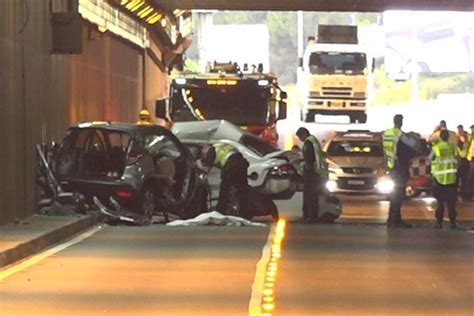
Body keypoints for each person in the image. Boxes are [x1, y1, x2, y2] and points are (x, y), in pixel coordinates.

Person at [382, 114, 417, 228]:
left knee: (394, 194)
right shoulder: (398, 133)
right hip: (399, 167)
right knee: (398, 194)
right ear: (401, 122)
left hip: (391, 166)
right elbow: (412, 144)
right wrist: (412, 136)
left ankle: (391, 218)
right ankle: (396, 219)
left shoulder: (387, 133)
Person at [198, 143, 250, 216]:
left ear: (204, 148)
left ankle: (220, 211)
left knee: (225, 189)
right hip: (242, 164)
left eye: (203, 154)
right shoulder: (222, 145)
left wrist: (198, 163)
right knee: (242, 190)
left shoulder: (211, 150)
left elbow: (206, 169)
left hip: (231, 165)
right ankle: (245, 212)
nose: (204, 156)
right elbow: (224, 161)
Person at [295, 127, 328, 223]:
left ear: (303, 135)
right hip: (315, 172)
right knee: (311, 195)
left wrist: (303, 167)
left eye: (299, 137)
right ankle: (309, 215)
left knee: (310, 195)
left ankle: (310, 216)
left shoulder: (309, 142)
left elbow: (308, 158)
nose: (300, 140)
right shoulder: (313, 141)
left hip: (311, 173)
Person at [429, 130, 459, 229]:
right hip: (451, 178)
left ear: (440, 137)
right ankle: (453, 223)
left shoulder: (436, 148)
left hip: (439, 178)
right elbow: (457, 159)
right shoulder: (453, 147)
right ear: (448, 137)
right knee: (451, 203)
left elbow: (430, 158)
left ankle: (439, 223)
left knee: (440, 202)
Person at [456, 124, 471, 200]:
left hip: (464, 161)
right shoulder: (458, 138)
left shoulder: (466, 138)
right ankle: (462, 194)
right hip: (460, 162)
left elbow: (463, 153)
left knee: (464, 179)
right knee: (461, 179)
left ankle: (464, 194)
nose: (459, 132)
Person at [466, 124, 474, 201]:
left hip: (473, 160)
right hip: (470, 160)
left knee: (470, 178)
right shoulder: (471, 138)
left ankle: (469, 195)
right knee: (470, 178)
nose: (472, 131)